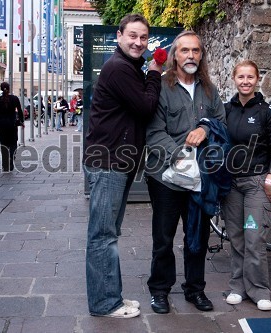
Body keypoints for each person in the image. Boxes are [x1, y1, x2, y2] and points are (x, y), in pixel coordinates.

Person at [82, 13, 163, 319]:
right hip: (110, 162)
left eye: (143, 37)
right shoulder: (119, 69)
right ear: (119, 36)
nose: (138, 42)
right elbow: (145, 106)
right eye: (132, 35)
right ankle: (105, 304)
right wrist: (155, 72)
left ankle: (111, 297)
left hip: (118, 161)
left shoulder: (127, 67)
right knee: (103, 235)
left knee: (108, 233)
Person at [145, 31, 225, 314]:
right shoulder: (162, 88)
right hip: (165, 177)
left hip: (199, 179)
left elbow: (221, 121)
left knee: (198, 237)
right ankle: (160, 291)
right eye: (184, 51)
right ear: (174, 55)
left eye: (195, 51)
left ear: (201, 55)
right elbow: (153, 131)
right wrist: (178, 155)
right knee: (163, 238)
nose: (190, 56)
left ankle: (195, 289)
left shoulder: (209, 90)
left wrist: (206, 128)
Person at [222, 60, 271, 311]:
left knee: (254, 238)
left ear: (257, 79)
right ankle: (237, 286)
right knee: (236, 238)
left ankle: (259, 290)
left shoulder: (266, 111)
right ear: (234, 79)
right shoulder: (226, 109)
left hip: (257, 183)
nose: (245, 81)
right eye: (241, 77)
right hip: (231, 185)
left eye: (250, 77)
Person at [0, 82, 24, 172]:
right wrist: (21, 121)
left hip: (1, 125)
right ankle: (11, 157)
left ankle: (5, 164)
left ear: (1, 89)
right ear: (9, 88)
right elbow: (19, 111)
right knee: (13, 143)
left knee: (3, 144)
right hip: (12, 124)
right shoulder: (15, 98)